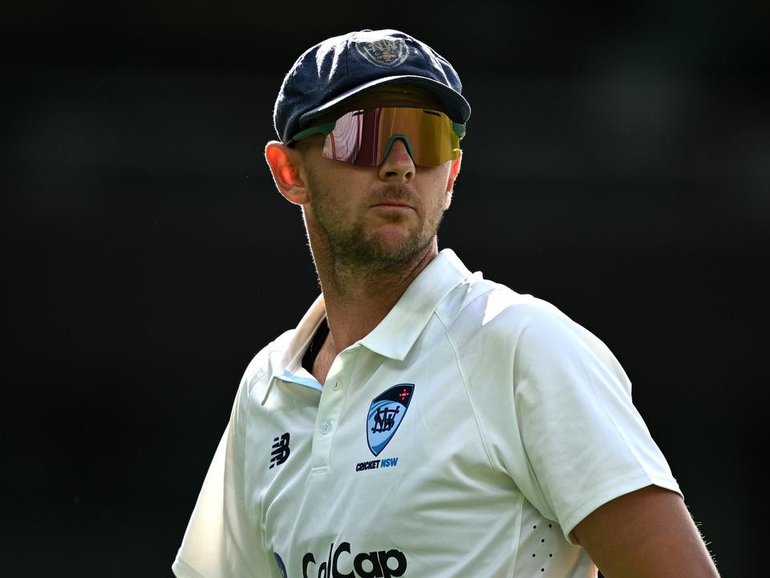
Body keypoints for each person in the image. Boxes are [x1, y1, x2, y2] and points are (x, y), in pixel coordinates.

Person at [172, 28, 721, 578]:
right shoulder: (266, 387)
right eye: (364, 135)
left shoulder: (523, 344)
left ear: (452, 172)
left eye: (428, 139)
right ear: (290, 172)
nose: (400, 164)